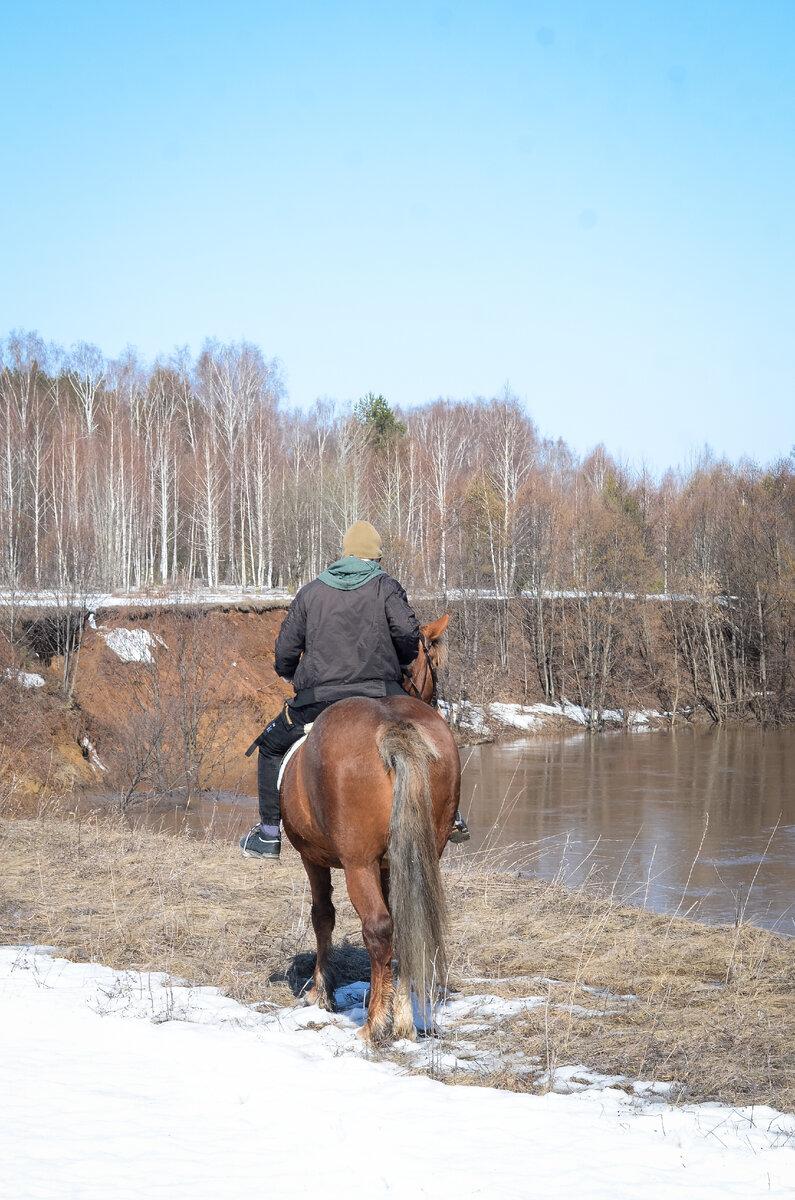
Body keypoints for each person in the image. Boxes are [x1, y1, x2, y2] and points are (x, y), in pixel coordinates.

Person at [240, 521, 422, 860]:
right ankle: (450, 815)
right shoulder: (386, 586)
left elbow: (285, 651)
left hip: (317, 701)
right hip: (381, 695)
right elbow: (409, 636)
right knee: (426, 738)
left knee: (270, 746)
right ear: (375, 557)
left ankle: (267, 836)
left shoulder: (311, 591)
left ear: (345, 553)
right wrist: (401, 659)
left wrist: (289, 674)